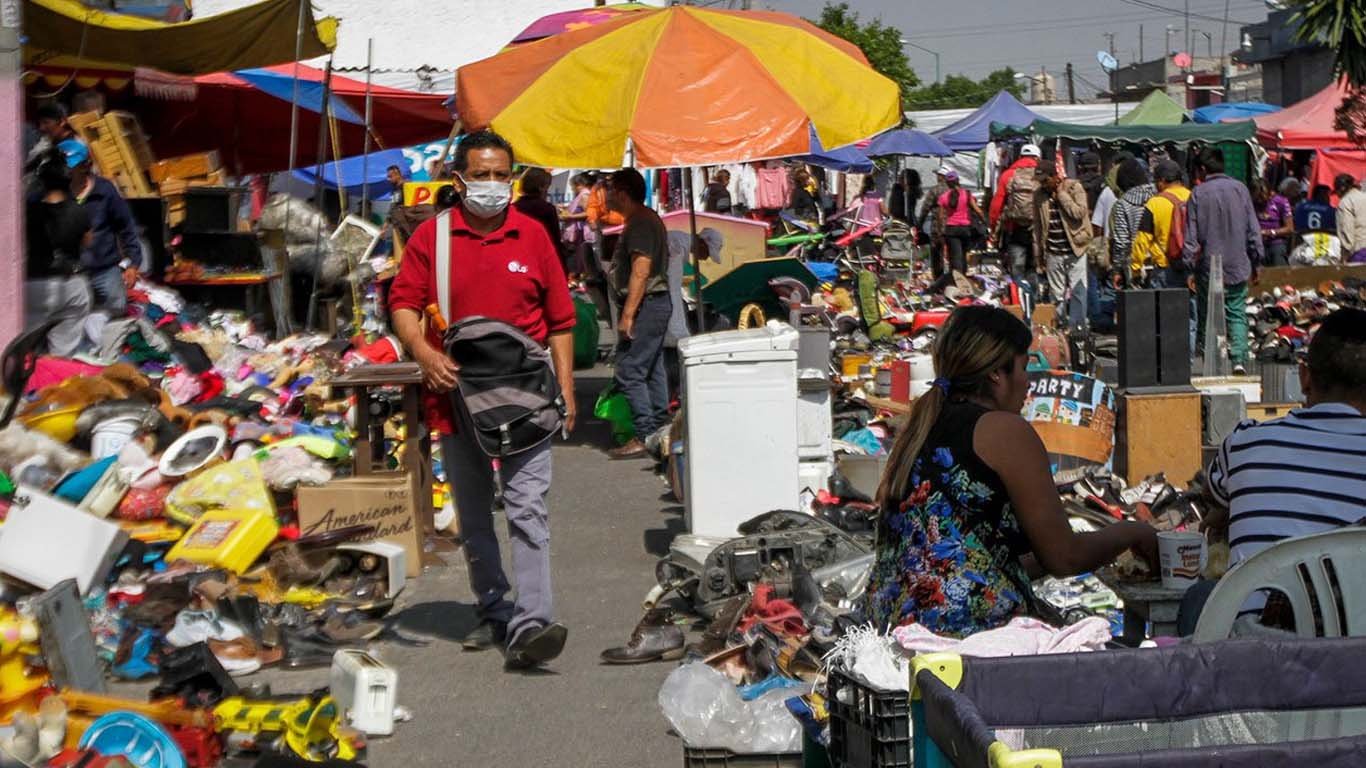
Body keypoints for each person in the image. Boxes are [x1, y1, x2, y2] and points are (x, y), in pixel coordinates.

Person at [388, 130, 576, 671]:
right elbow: (402, 303)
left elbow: (561, 322)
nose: (494, 185)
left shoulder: (533, 236)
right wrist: (423, 351)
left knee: (526, 508)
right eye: (483, 174)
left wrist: (565, 388)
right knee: (474, 515)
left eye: (502, 175)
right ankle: (493, 607)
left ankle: (532, 621)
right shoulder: (433, 239)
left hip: (528, 399)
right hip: (456, 399)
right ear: (460, 179)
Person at [865, 306, 1156, 636]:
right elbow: (1065, 557)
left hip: (893, 623)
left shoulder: (924, 426)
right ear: (995, 374)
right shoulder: (1003, 431)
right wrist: (1133, 534)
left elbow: (971, 560)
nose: (1028, 383)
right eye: (1023, 366)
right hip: (961, 634)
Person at [1205, 308, 1366, 567]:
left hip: (1250, 607)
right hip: (1353, 607)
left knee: (1197, 596)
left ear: (1304, 378)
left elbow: (1212, 496)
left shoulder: (1246, 441)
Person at [606, 168, 672, 460]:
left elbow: (641, 270)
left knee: (630, 369)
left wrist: (628, 314)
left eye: (609, 190)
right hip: (653, 303)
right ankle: (659, 428)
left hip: (648, 304)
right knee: (652, 367)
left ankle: (645, 433)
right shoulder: (640, 220)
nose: (605, 196)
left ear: (621, 193)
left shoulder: (641, 223)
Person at [1182, 148, 1263, 373]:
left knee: (1209, 314)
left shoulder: (1197, 194)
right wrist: (1257, 261)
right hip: (1238, 263)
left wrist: (1188, 268)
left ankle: (1211, 359)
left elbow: (1191, 237)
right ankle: (1238, 359)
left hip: (1209, 267)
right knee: (1236, 312)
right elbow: (1253, 229)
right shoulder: (1241, 190)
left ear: (1203, 169)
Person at [25, 146, 93, 357]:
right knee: (63, 355)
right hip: (71, 286)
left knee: (25, 352)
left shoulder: (28, 213)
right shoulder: (80, 211)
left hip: (33, 287)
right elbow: (88, 242)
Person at [65, 139, 141, 317]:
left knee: (113, 320)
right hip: (70, 276)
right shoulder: (57, 194)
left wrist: (133, 264)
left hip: (104, 271)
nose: (67, 171)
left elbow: (126, 225)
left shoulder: (104, 191)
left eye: (71, 167)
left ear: (86, 166)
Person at [1031, 160, 1092, 331]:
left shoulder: (1073, 188)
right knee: (1056, 294)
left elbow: (1080, 212)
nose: (1042, 185)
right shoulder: (1039, 195)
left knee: (1078, 292)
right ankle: (1058, 329)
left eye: (1045, 180)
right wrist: (1038, 257)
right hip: (1053, 251)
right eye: (1040, 181)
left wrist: (1061, 196)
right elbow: (1037, 227)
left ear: (1054, 177)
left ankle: (1077, 329)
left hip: (1076, 249)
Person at [1130, 160, 1190, 288]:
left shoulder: (1154, 203)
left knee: (1162, 307)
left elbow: (1142, 240)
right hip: (1190, 266)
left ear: (1161, 181)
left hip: (1165, 268)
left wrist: (1135, 269)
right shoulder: (1192, 197)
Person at [990, 144, 1041, 282]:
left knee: (1017, 267)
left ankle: (1018, 297)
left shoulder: (1008, 175)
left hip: (1014, 227)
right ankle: (1033, 298)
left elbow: (996, 205)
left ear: (1019, 157)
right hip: (1037, 228)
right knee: (1033, 266)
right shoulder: (1041, 175)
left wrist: (994, 227)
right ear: (1037, 157)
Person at [1109, 158, 1156, 278]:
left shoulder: (1123, 204)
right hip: (1160, 261)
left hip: (1136, 265)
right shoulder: (1158, 195)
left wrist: (1117, 269)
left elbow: (1122, 242)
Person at [934, 171, 981, 278]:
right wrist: (984, 222)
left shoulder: (943, 197)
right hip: (965, 229)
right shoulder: (967, 194)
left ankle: (956, 279)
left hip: (951, 229)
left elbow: (940, 217)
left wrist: (940, 231)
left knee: (955, 256)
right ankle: (963, 278)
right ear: (958, 181)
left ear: (947, 183)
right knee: (964, 255)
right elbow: (977, 210)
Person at [513, 167, 563, 251]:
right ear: (542, 187)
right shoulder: (547, 209)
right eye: (548, 185)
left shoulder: (514, 207)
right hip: (541, 253)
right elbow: (554, 239)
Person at [1252, 178, 1294, 266]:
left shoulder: (1281, 202)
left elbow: (1290, 228)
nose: (1260, 201)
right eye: (1257, 198)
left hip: (1276, 242)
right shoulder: (1252, 203)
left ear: (1270, 193)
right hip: (1257, 243)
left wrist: (1269, 232)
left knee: (1278, 257)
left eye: (1262, 197)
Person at [561, 172, 595, 275]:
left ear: (579, 185)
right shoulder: (582, 195)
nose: (572, 189)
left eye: (573, 186)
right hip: (578, 232)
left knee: (579, 259)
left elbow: (588, 213)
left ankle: (579, 277)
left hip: (582, 233)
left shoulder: (584, 195)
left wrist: (570, 216)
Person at [1334, 173, 1366, 263]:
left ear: (1341, 189)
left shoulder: (1345, 203)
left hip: (1360, 253)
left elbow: (1347, 233)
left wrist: (1344, 258)